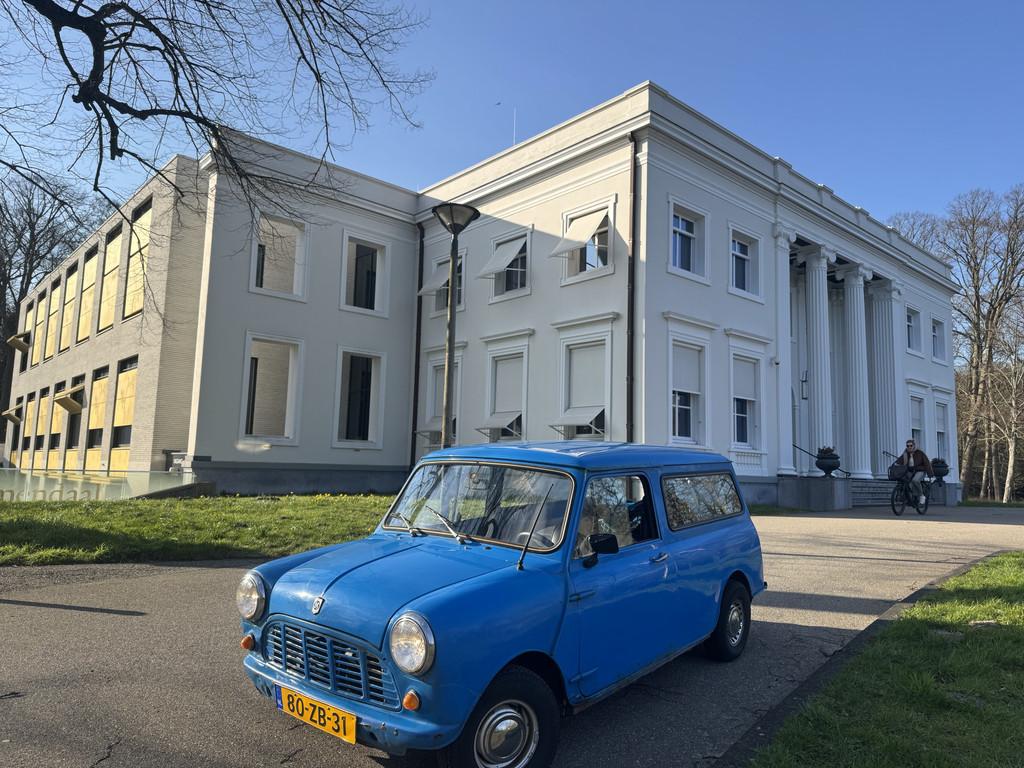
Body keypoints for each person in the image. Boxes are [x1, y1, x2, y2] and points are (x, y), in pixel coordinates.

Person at [895, 439, 933, 508]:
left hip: (920, 470)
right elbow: (899, 460)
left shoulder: (920, 453)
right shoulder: (905, 454)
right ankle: (909, 498)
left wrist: (930, 474)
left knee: (915, 480)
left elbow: (927, 463)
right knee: (905, 481)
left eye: (911, 445)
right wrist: (895, 465)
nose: (909, 447)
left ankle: (922, 496)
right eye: (907, 446)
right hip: (910, 471)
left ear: (914, 446)